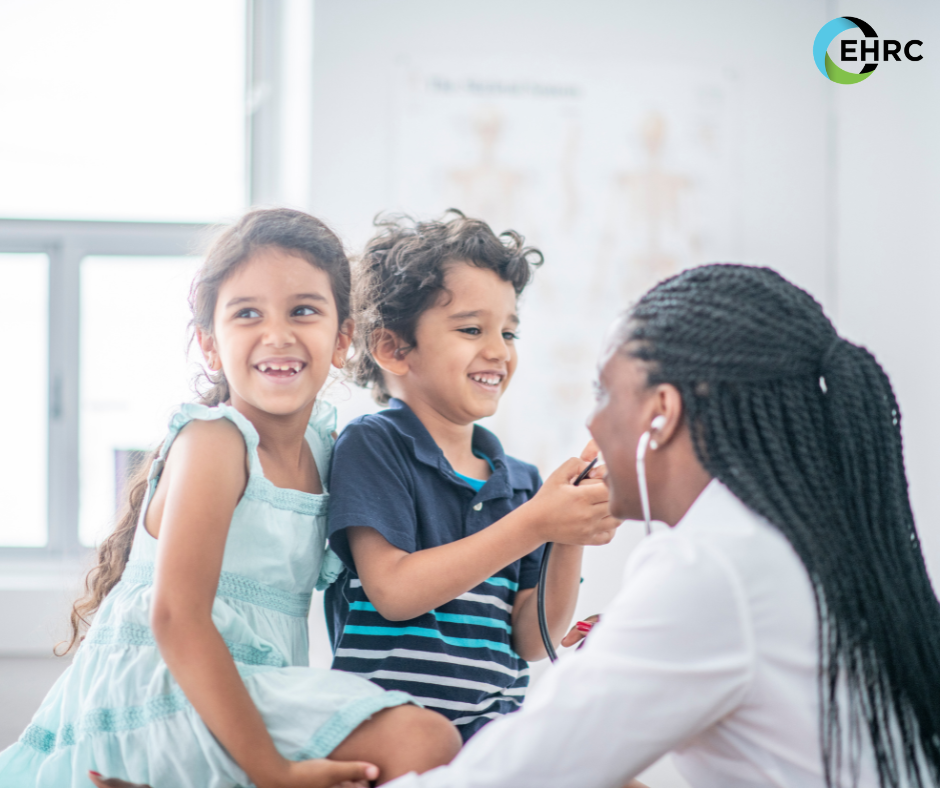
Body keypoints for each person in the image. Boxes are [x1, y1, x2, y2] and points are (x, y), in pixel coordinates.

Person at [382, 264, 940, 788]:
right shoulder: (785, 539)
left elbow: (521, 773)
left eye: (604, 391)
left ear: (662, 412)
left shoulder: (714, 564)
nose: (592, 420)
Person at [0, 209, 461, 788]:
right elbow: (175, 617)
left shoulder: (327, 450)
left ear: (343, 338)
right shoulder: (216, 443)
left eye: (304, 310)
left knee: (422, 742)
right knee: (425, 739)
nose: (278, 334)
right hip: (165, 689)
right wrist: (272, 770)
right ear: (210, 343)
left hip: (249, 687)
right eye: (247, 314)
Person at [324, 211, 618, 740]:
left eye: (509, 331)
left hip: (493, 736)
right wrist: (536, 524)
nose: (499, 351)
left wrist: (565, 532)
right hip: (393, 734)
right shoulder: (374, 445)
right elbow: (393, 590)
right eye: (471, 329)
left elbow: (532, 639)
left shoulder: (522, 482)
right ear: (394, 348)